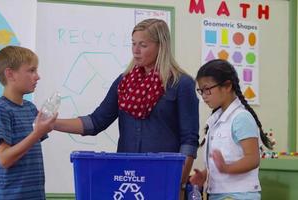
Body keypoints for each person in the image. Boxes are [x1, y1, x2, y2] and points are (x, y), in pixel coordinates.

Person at [54, 18, 200, 193]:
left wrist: (179, 183)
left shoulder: (181, 83)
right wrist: (53, 123)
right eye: (133, 44)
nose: (136, 51)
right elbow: (96, 122)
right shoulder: (124, 82)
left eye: (143, 45)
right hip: (126, 175)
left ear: (161, 46)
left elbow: (189, 140)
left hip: (163, 178)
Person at [190, 59, 273, 200]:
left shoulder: (241, 118)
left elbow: (253, 159)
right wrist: (205, 175)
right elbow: (225, 160)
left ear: (227, 86)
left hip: (239, 194)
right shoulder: (216, 119)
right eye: (201, 90)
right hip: (219, 194)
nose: (203, 96)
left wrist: (226, 168)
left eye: (207, 89)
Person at [0, 46, 57, 200]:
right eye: (31, 71)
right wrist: (37, 134)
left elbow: (37, 135)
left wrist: (50, 124)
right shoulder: (1, 109)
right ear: (10, 74)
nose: (37, 77)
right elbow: (4, 159)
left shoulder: (30, 108)